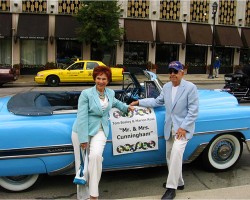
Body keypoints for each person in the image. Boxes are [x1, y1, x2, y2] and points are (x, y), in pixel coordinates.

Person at [130, 61, 199, 199]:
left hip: (182, 130)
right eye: (170, 71)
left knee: (176, 155)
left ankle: (171, 189)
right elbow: (157, 102)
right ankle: (179, 182)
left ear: (182, 73)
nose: (172, 74)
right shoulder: (167, 87)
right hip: (169, 128)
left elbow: (193, 111)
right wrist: (139, 102)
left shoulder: (190, 87)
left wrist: (183, 127)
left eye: (175, 71)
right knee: (169, 156)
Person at [72, 65, 134, 200]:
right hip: (82, 131)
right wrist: (83, 139)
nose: (101, 81)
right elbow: (81, 117)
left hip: (101, 129)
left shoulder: (110, 93)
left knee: (96, 157)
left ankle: (94, 195)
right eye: (98, 78)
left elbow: (116, 103)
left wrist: (127, 107)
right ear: (95, 79)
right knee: (82, 164)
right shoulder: (86, 94)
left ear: (108, 80)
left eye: (104, 79)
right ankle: (83, 196)